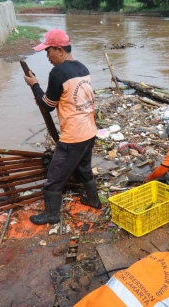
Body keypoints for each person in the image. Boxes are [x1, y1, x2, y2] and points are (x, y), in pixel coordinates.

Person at [23, 29, 100, 225]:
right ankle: (94, 200)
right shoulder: (83, 68)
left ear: (59, 49)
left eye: (48, 51)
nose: (48, 57)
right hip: (90, 130)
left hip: (74, 136)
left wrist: (35, 85)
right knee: (83, 168)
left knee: (54, 177)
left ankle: (51, 215)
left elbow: (48, 106)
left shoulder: (58, 72)